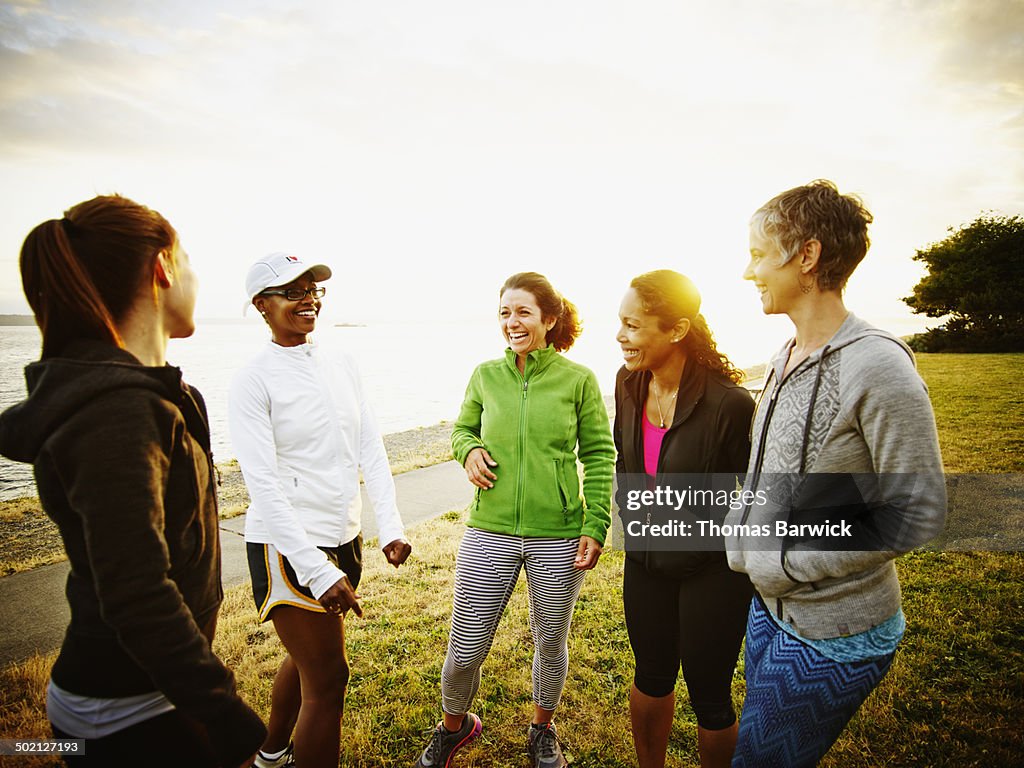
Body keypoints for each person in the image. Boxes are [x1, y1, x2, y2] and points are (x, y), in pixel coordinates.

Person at [0, 195, 266, 767]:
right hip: (126, 715)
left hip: (149, 696)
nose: (195, 275)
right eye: (188, 258)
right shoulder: (115, 413)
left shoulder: (157, 396)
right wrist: (227, 718)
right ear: (163, 268)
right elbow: (136, 592)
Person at [726, 180, 947, 766]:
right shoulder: (783, 356)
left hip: (835, 630)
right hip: (770, 608)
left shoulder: (878, 365)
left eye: (757, 253)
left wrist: (793, 563)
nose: (749, 272)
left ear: (806, 255)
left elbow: (917, 511)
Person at [414, 272, 615, 768]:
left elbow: (599, 453)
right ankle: (454, 728)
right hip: (490, 529)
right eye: (505, 312)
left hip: (558, 534)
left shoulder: (578, 380)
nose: (512, 322)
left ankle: (541, 730)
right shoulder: (485, 375)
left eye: (523, 312)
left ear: (549, 319)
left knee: (550, 639)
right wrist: (469, 450)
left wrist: (594, 525)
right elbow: (461, 428)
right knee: (465, 645)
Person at [228, 252, 412, 768]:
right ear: (262, 306)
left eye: (313, 289)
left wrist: (390, 527)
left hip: (342, 535)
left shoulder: (341, 362)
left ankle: (269, 755)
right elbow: (262, 485)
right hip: (288, 546)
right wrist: (314, 568)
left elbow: (369, 447)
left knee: (306, 660)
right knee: (329, 682)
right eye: (293, 291)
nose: (308, 299)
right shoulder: (252, 380)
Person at [614, 270, 755, 768]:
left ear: (675, 330)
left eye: (633, 325)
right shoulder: (627, 383)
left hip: (711, 572)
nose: (621, 336)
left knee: (710, 695)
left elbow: (757, 494)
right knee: (650, 675)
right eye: (620, 323)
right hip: (646, 563)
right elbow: (625, 463)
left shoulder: (731, 405)